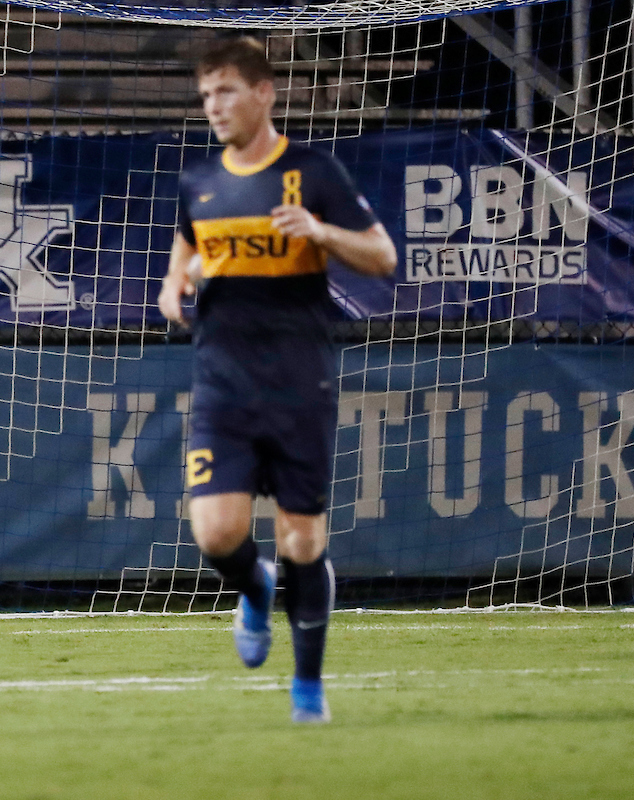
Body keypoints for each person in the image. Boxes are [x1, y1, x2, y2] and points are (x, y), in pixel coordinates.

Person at [157, 36, 396, 723]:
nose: (214, 106)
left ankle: (308, 690)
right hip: (223, 386)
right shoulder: (199, 182)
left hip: (300, 386)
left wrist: (321, 233)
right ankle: (255, 589)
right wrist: (174, 288)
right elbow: (183, 261)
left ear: (264, 93)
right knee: (216, 534)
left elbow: (381, 256)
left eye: (226, 91)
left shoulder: (313, 173)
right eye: (206, 95)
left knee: (303, 542)